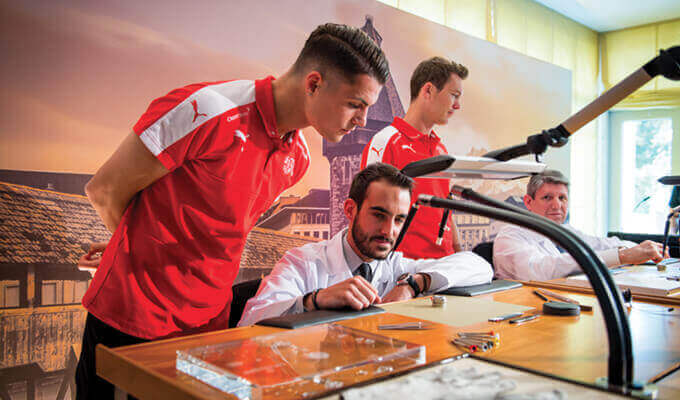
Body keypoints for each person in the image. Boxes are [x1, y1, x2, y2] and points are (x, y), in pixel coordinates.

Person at [75, 23, 389, 399]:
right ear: (314, 84)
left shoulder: (298, 158)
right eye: (356, 104)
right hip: (134, 319)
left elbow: (217, 227)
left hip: (210, 323)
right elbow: (106, 189)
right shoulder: (208, 109)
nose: (363, 121)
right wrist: (129, 246)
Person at [238, 163, 492, 326]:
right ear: (351, 209)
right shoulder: (303, 262)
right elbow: (248, 322)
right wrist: (315, 300)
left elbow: (480, 267)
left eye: (398, 219)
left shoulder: (397, 266)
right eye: (378, 215)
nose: (388, 231)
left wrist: (414, 284)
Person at [360, 56, 468, 259]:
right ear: (428, 90)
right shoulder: (387, 141)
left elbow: (446, 210)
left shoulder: (441, 150)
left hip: (444, 266)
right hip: (405, 269)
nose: (457, 105)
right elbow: (366, 210)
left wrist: (460, 255)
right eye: (454, 95)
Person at [493, 170, 668, 281]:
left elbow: (600, 244)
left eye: (562, 198)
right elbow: (543, 270)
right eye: (547, 198)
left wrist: (643, 249)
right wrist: (622, 256)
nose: (557, 205)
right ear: (528, 202)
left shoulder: (563, 231)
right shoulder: (510, 236)